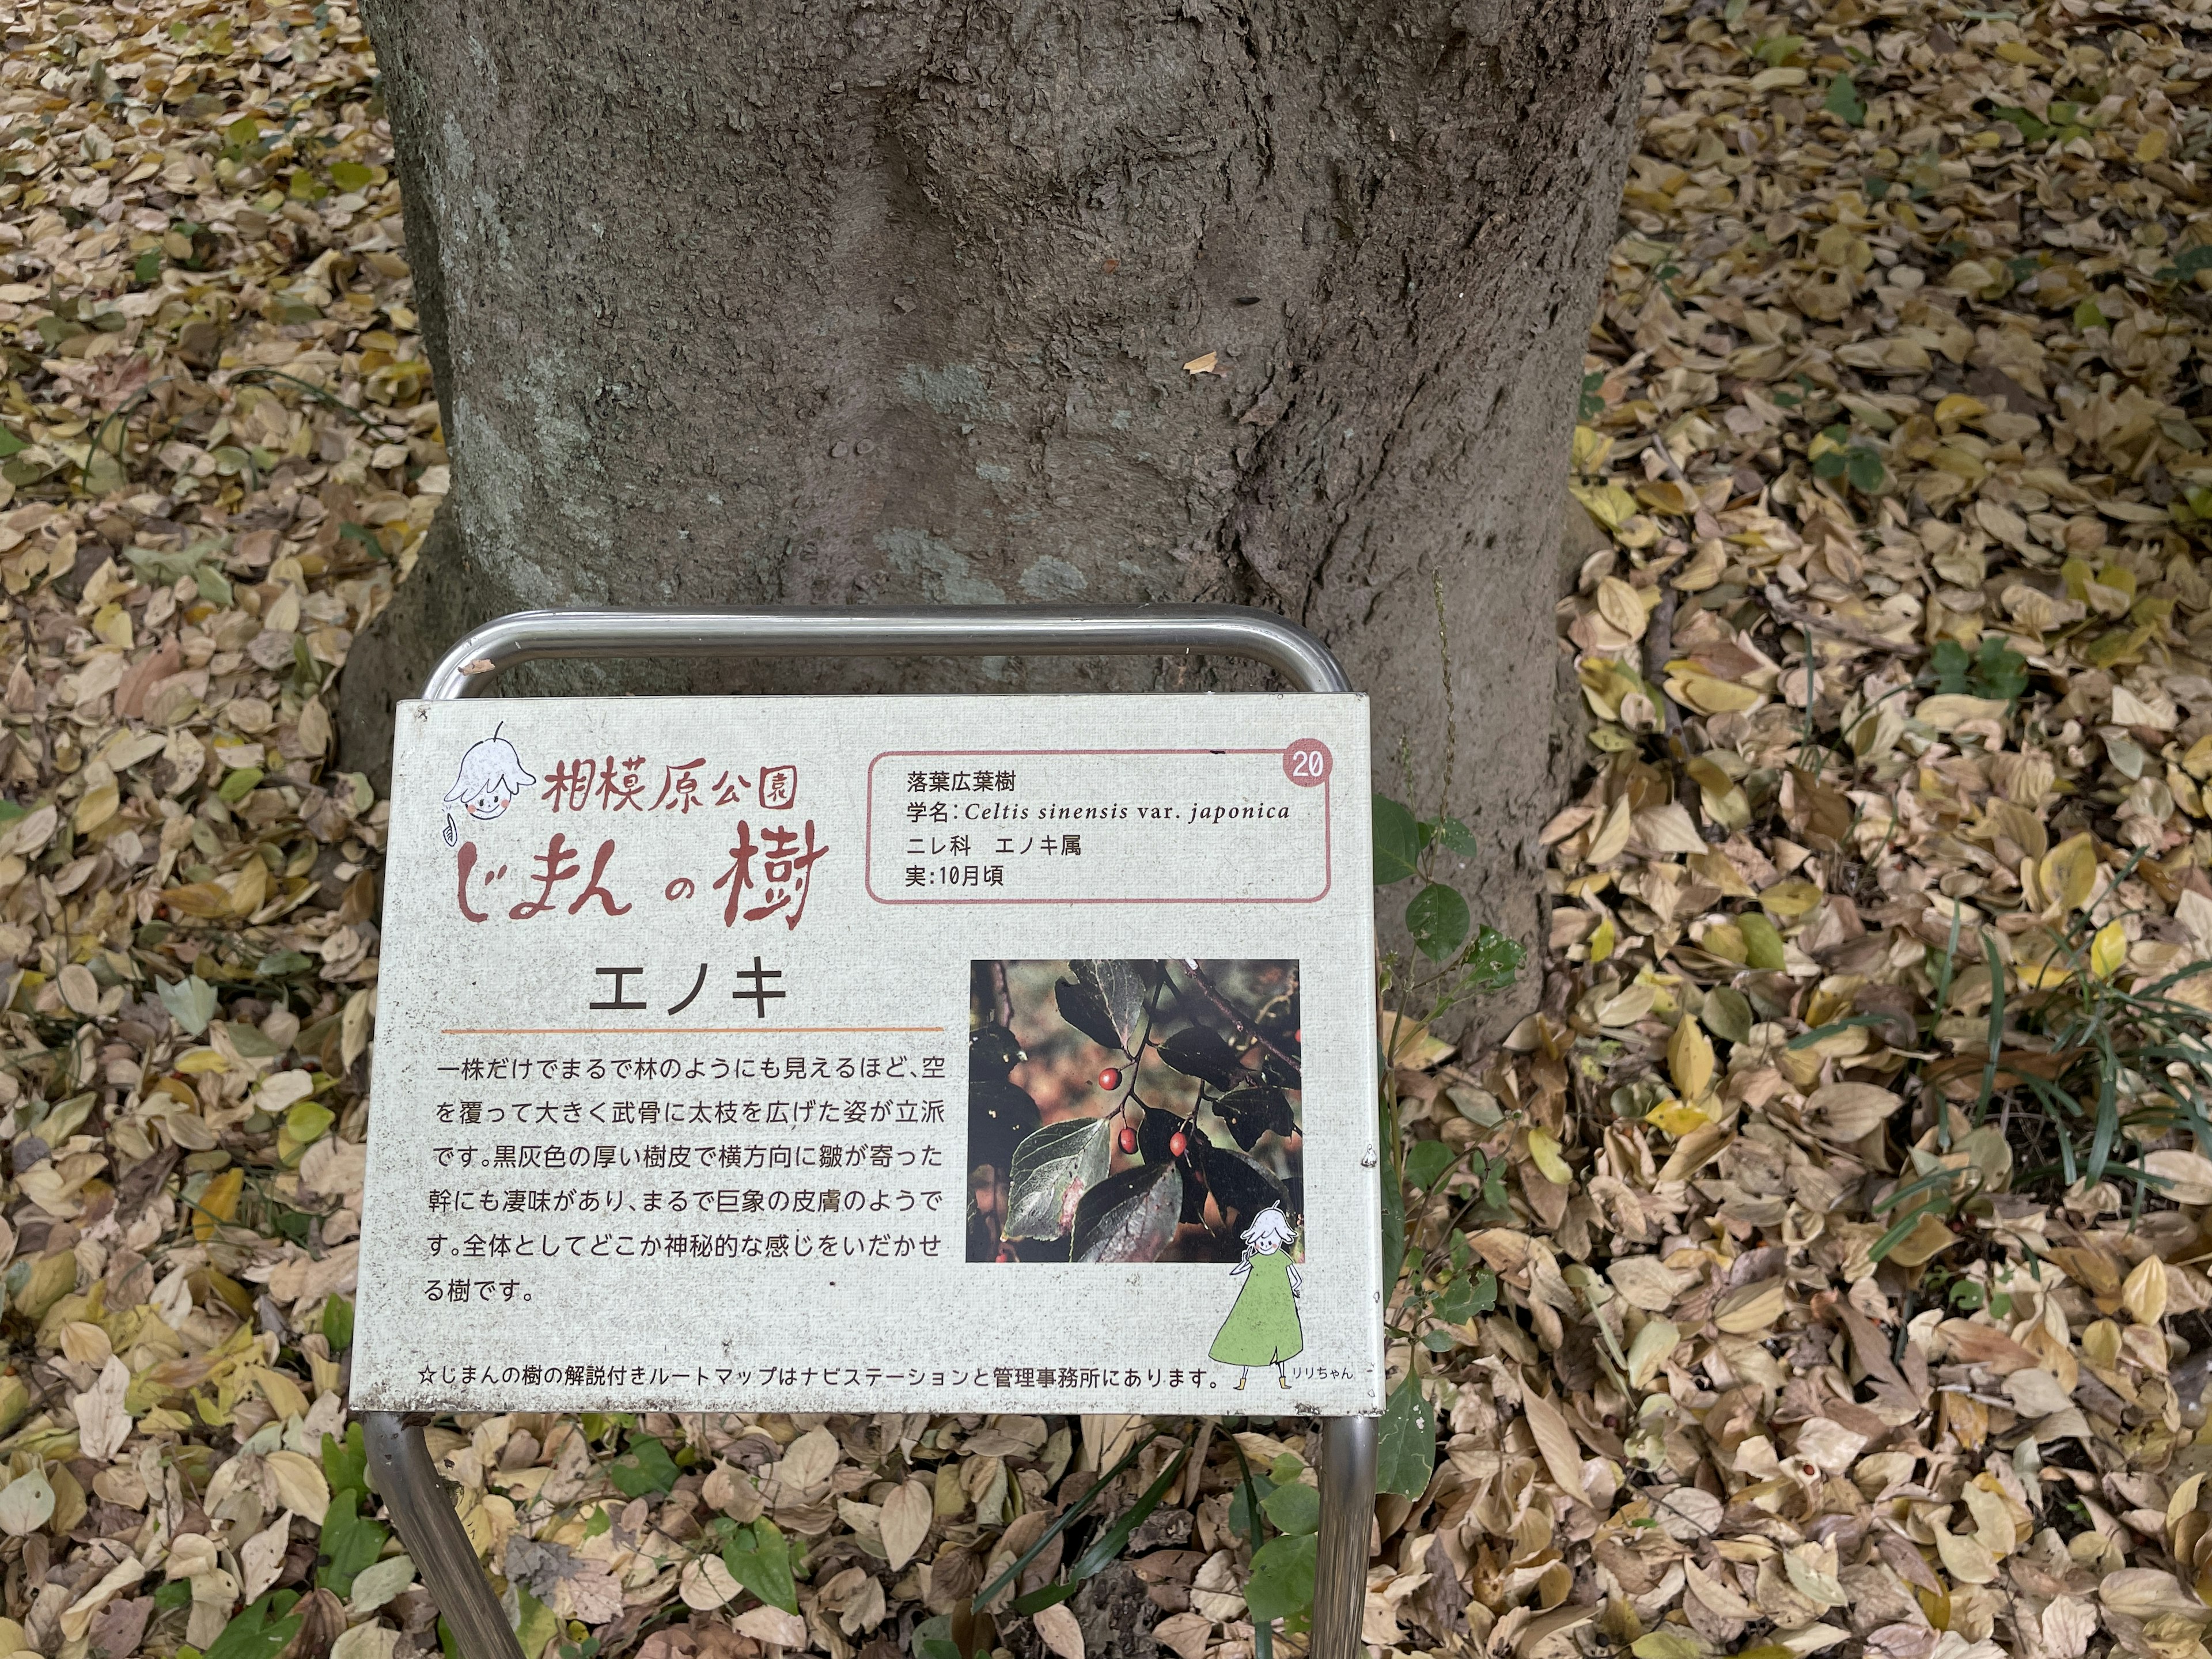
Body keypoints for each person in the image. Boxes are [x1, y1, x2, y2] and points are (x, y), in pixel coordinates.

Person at [1209, 1204, 1303, 1389]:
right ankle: (1244, 1382)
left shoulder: (1281, 1258)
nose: (1266, 1245)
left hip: (1277, 1299)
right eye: (1261, 1240)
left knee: (1278, 1341)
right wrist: (1242, 1263)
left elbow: (1295, 1276)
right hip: (1256, 1299)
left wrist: (1296, 1286)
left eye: (1271, 1241)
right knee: (1249, 1337)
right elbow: (1239, 1270)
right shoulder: (1259, 1258)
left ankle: (1282, 1380)